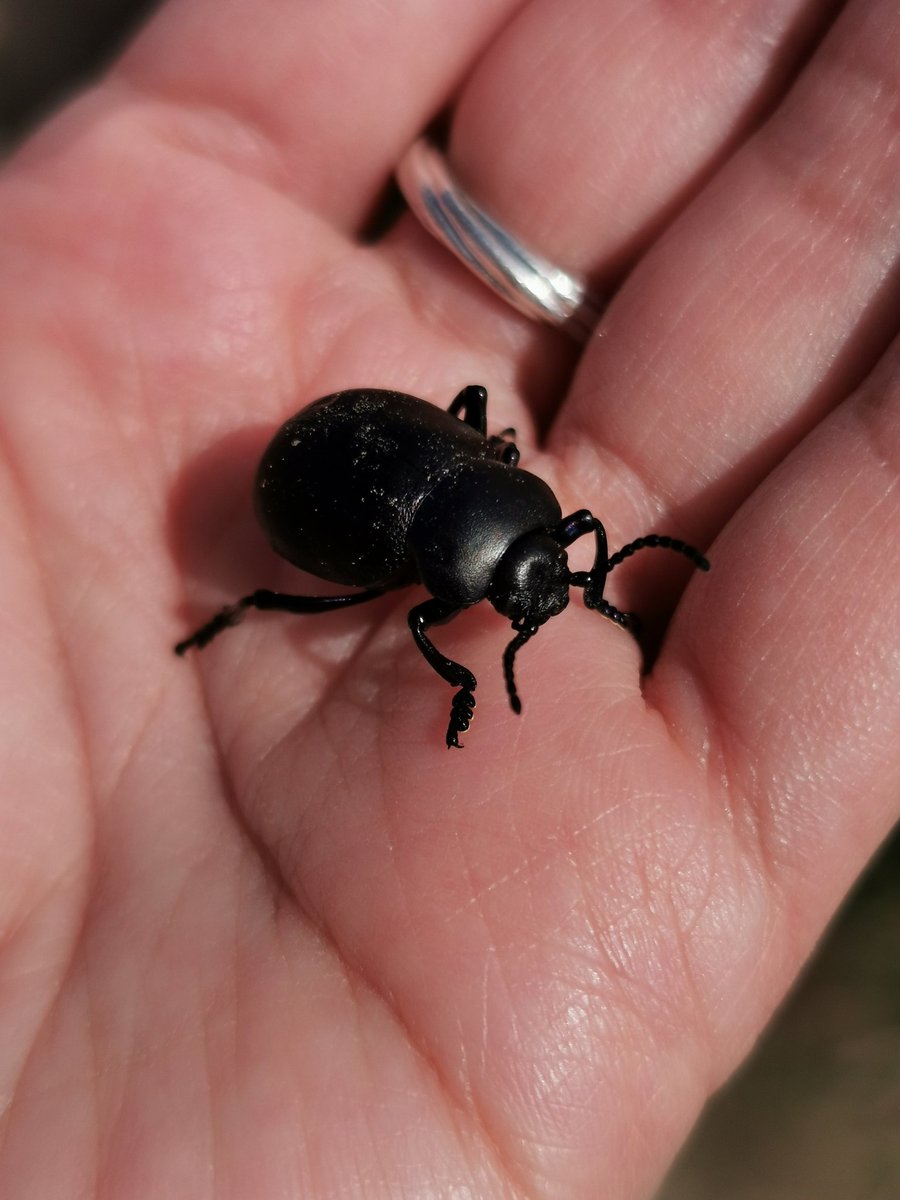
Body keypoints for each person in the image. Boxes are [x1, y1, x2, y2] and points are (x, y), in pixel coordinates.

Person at [0, 1, 896, 1196]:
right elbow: (464, 583)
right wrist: (469, 682)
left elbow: (537, 522)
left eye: (546, 594)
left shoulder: (505, 508)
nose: (546, 602)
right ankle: (227, 616)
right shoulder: (437, 589)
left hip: (405, 474)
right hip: (340, 489)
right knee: (297, 604)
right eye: (541, 597)